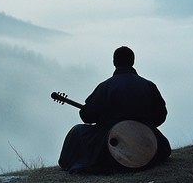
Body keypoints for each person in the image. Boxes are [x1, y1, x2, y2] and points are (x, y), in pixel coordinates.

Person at [58, 46, 171, 174]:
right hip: (146, 140)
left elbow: (87, 116)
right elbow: (161, 115)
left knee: (78, 131)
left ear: (114, 62)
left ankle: (69, 164)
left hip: (111, 143)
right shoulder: (149, 85)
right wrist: (141, 127)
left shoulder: (105, 87)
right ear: (133, 62)